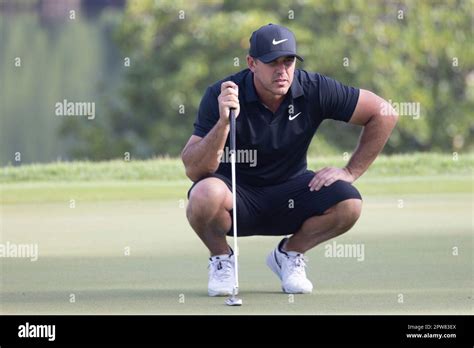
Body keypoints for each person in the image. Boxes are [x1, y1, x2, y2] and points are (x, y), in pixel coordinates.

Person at [181, 23, 398, 296]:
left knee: (349, 203)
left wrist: (350, 171)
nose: (282, 71)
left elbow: (384, 113)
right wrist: (224, 122)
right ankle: (222, 259)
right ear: (251, 63)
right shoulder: (222, 93)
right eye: (272, 63)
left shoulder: (313, 88)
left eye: (289, 61)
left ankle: (289, 254)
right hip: (235, 195)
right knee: (203, 195)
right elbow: (193, 168)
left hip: (292, 192)